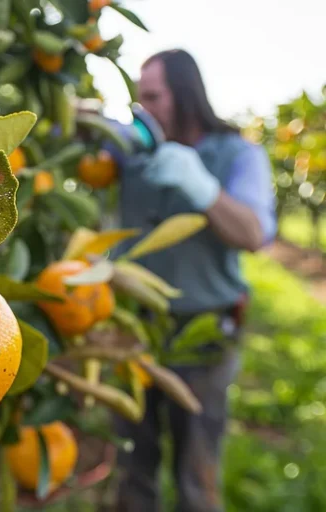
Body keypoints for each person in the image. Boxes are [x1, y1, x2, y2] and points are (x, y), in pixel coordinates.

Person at [111, 49, 277, 512]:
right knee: (131, 461)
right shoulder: (135, 151)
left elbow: (253, 234)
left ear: (184, 95)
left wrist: (202, 188)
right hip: (133, 329)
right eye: (139, 98)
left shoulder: (238, 154)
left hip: (205, 330)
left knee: (197, 470)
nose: (144, 108)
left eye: (154, 96)